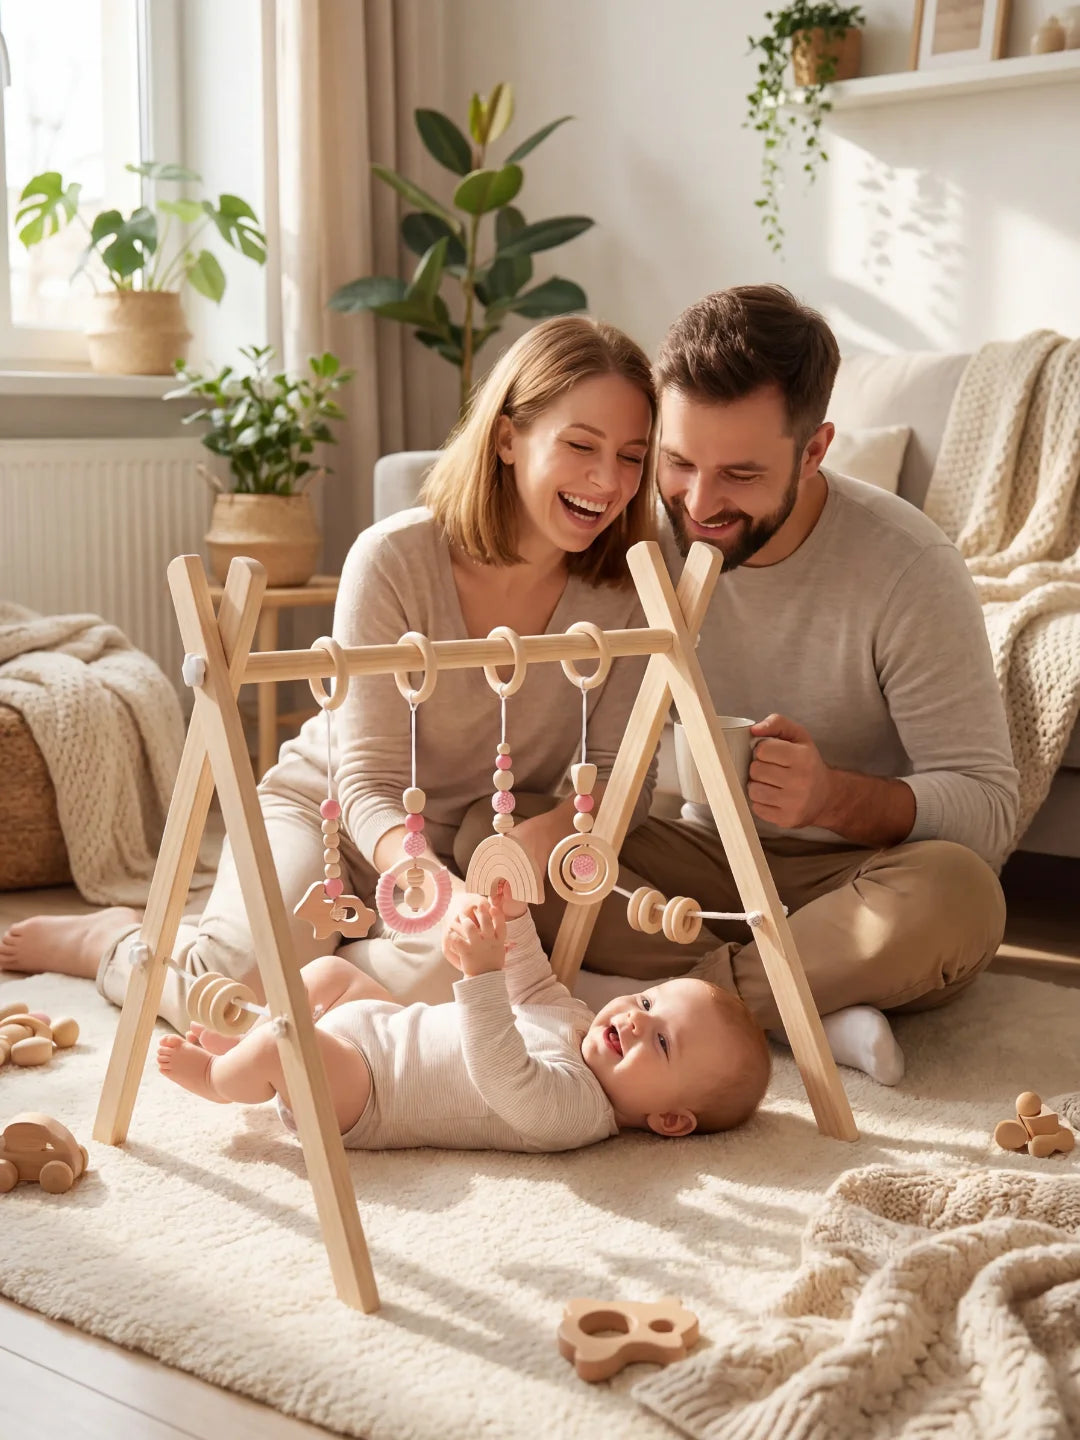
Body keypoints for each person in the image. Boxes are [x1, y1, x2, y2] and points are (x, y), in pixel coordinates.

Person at [0, 317, 661, 1028]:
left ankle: (332, 968)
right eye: (581, 445)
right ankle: (115, 943)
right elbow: (366, 782)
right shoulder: (394, 559)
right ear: (507, 438)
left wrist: (553, 828)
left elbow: (629, 775)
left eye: (631, 456)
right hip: (333, 820)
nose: (609, 480)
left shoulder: (631, 585)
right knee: (231, 998)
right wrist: (430, 887)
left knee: (467, 973)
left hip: (460, 848)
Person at [456, 285, 1019, 1087]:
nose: (700, 503)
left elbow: (988, 810)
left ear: (816, 449)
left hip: (856, 879)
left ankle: (672, 999)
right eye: (678, 463)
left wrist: (830, 799)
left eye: (742, 474)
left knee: (962, 897)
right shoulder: (638, 534)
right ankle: (798, 1004)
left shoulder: (907, 568)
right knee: (495, 830)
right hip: (693, 863)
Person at [157, 883, 771, 1149]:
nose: (636, 1021)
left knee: (281, 1049)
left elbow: (500, 1072)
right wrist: (514, 921)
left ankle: (220, 1078)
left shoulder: (577, 1112)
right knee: (327, 975)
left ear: (668, 1120)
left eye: (661, 1043)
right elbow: (531, 982)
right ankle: (264, 1021)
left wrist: (479, 975)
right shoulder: (582, 1024)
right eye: (645, 1002)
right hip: (384, 1027)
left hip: (368, 1094)